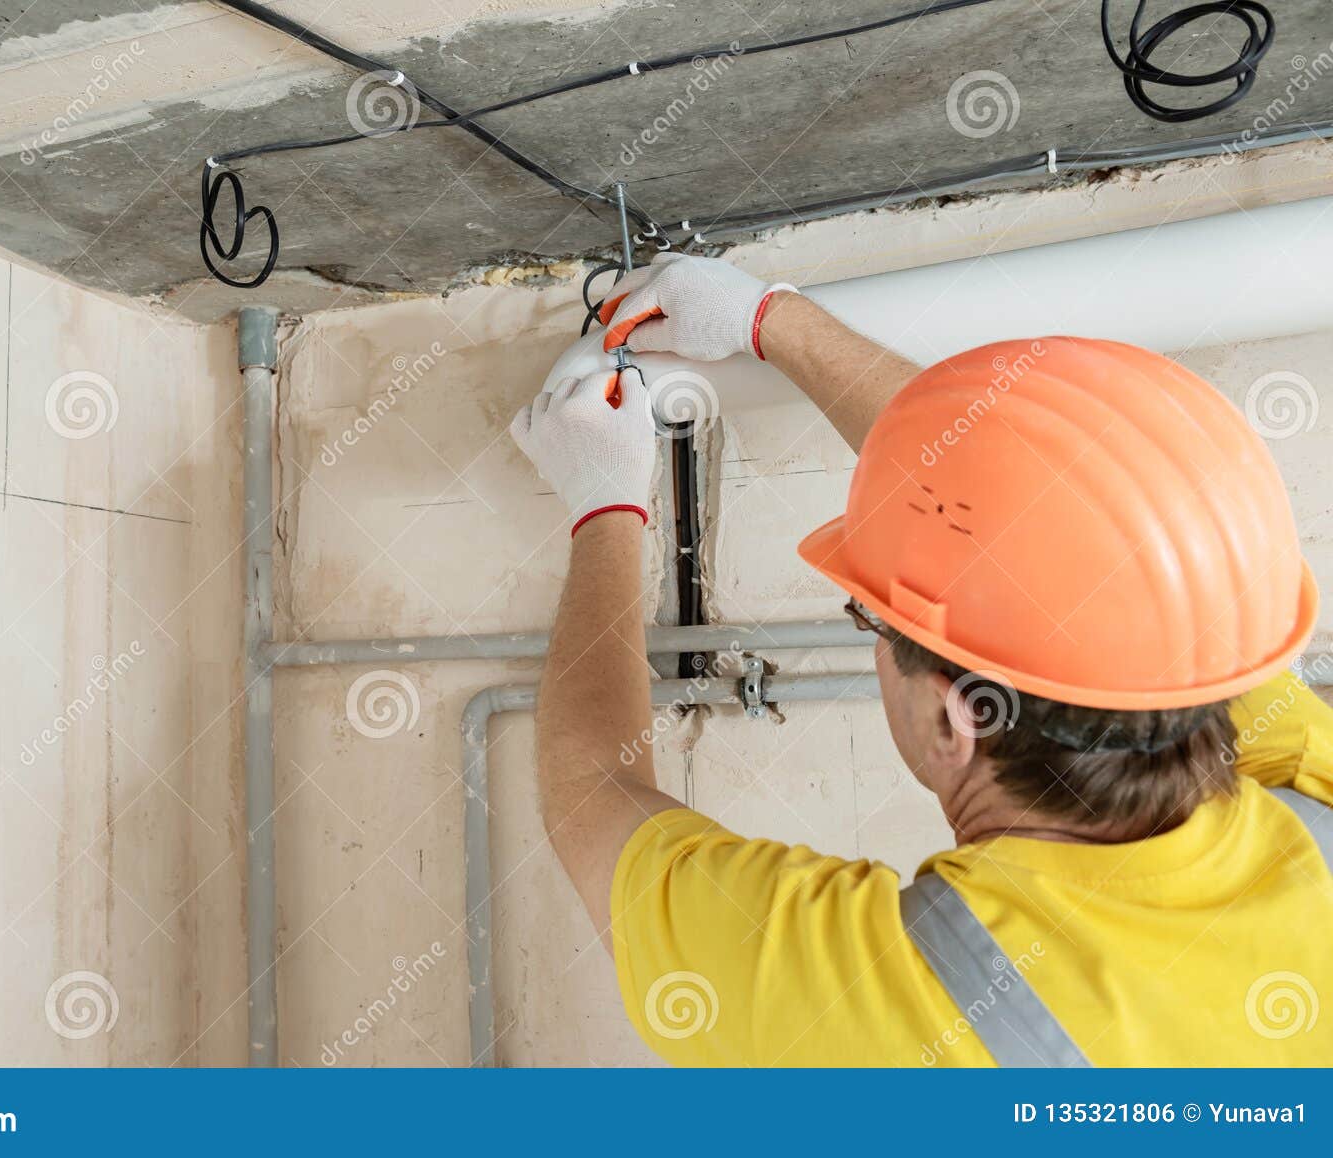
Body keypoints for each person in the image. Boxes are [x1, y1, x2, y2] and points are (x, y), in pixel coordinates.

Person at [508, 253, 1333, 1066]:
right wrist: (766, 320)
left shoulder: (897, 1009)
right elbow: (1043, 511)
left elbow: (592, 789)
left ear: (952, 718)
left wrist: (603, 502)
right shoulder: (1311, 796)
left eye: (874, 621)